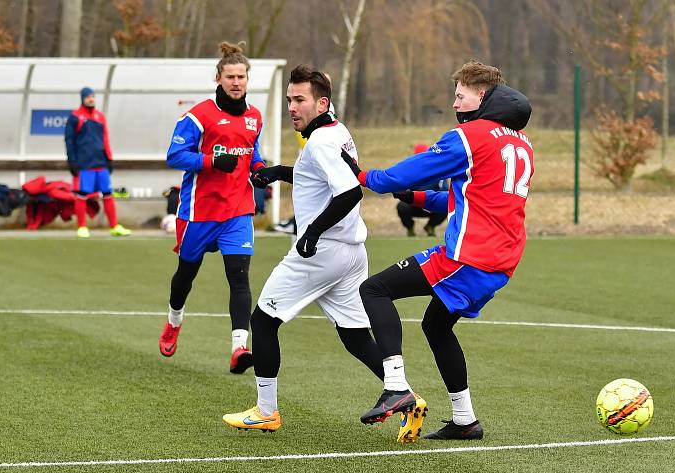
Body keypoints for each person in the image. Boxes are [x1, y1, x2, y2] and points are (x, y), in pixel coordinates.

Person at [340, 60, 533, 441]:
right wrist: (416, 198)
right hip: (500, 260)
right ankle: (465, 420)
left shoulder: (472, 135)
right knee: (436, 325)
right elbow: (471, 198)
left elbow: (403, 173)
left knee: (373, 289)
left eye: (460, 96)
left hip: (468, 257)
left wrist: (365, 176)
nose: (455, 104)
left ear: (482, 96)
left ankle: (395, 385)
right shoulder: (519, 141)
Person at [222, 65, 387, 438]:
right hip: (351, 252)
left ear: (321, 102)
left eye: (299, 100)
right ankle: (402, 392)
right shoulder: (336, 131)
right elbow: (328, 179)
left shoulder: (321, 142)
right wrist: (280, 172)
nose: (292, 107)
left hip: (322, 251)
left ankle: (266, 411)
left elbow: (349, 192)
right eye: (289, 100)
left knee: (263, 322)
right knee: (356, 336)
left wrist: (311, 232)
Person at [158, 41, 266, 374]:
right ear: (218, 78)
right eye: (230, 76)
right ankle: (174, 320)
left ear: (248, 79)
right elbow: (174, 156)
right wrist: (210, 161)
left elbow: (253, 155)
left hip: (237, 211)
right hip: (198, 212)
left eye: (241, 77)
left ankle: (238, 348)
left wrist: (261, 171)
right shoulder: (198, 116)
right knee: (185, 275)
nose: (236, 82)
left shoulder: (254, 117)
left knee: (239, 278)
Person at [64, 86, 131, 238]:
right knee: (82, 194)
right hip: (84, 164)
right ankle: (82, 227)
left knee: (107, 193)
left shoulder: (100, 116)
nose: (91, 99)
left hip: (101, 163)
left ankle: (114, 226)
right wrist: (72, 161)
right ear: (82, 98)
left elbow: (105, 138)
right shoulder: (75, 117)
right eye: (88, 96)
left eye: (93, 96)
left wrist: (109, 158)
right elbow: (69, 141)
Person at [395, 143, 448, 237]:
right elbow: (402, 190)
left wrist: (432, 201)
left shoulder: (440, 171)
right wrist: (413, 199)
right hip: (414, 203)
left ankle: (430, 226)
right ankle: (410, 228)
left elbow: (445, 190)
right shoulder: (409, 171)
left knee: (447, 203)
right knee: (402, 206)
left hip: (433, 203)